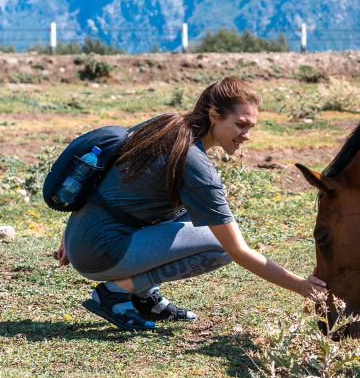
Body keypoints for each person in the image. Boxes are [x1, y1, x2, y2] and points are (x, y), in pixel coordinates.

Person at [53, 77, 326, 331]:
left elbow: (101, 178)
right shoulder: (194, 164)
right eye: (241, 125)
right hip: (101, 252)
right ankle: (117, 291)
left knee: (197, 213)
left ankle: (143, 296)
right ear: (214, 115)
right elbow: (238, 251)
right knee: (221, 246)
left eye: (250, 127)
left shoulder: (166, 124)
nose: (246, 135)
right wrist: (301, 286)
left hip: (85, 234)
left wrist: (72, 231)